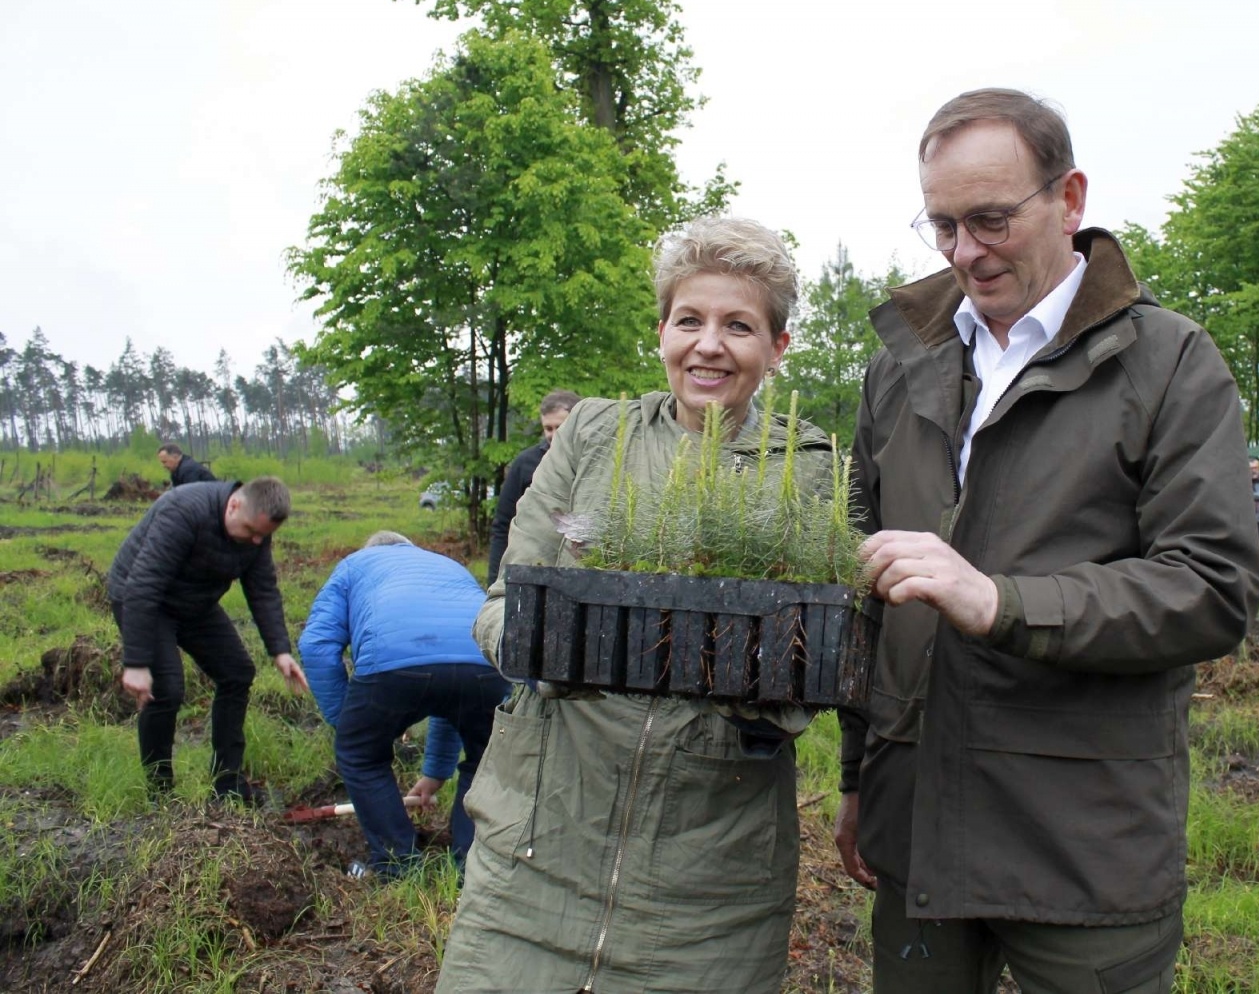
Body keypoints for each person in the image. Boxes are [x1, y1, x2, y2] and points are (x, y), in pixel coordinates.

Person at [835, 89, 1259, 994]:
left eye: (991, 219)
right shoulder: (901, 362)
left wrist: (1002, 603)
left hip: (1080, 843)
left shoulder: (1170, 362)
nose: (965, 252)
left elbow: (1213, 587)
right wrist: (856, 775)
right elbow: (864, 595)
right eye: (943, 225)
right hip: (915, 825)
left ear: (1069, 199)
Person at [436, 217, 834, 994]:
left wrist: (758, 684)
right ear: (661, 333)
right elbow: (498, 610)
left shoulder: (807, 467)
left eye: (739, 326)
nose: (709, 345)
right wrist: (553, 649)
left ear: (777, 348)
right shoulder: (590, 436)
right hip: (537, 848)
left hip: (709, 886)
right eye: (690, 320)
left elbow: (810, 659)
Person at [298, 531, 506, 879]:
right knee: (485, 756)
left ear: (371, 551)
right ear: (409, 549)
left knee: (360, 755)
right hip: (484, 663)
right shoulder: (449, 566)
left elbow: (316, 645)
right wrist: (436, 773)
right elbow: (449, 693)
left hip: (393, 664)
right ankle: (472, 866)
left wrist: (346, 722)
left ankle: (398, 865)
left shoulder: (354, 566)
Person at [108, 476, 309, 802]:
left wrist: (280, 651)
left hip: (195, 602)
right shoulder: (184, 510)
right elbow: (144, 583)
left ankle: (227, 784)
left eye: (264, 536)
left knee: (238, 672)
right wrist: (136, 661)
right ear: (234, 505)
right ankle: (160, 794)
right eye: (251, 531)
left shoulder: (256, 533)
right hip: (145, 600)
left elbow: (263, 589)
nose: (256, 541)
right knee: (166, 689)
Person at [486, 389, 579, 583]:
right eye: (548, 428)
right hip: (532, 566)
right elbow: (502, 526)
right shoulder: (525, 464)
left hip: (580, 568)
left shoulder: (592, 462)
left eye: (559, 427)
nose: (553, 435)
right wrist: (494, 581)